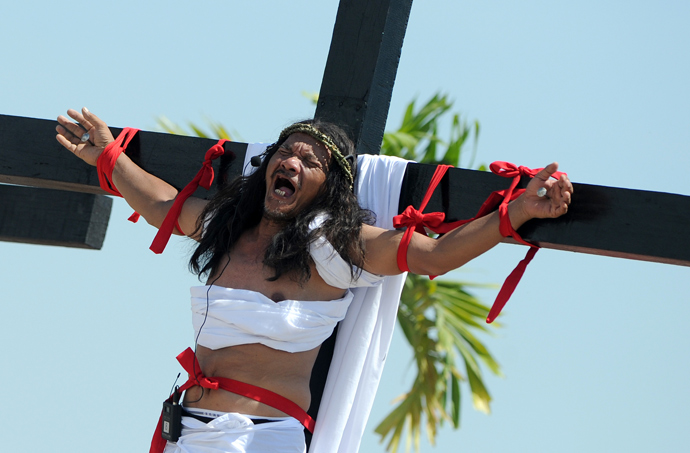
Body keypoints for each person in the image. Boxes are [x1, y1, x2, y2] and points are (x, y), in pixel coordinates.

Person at [56, 107, 573, 453]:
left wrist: (519, 212)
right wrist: (107, 154)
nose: (294, 162)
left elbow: (436, 255)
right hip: (187, 429)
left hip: (263, 439)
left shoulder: (335, 246)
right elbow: (160, 203)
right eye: (287, 152)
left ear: (328, 189)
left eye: (312, 161)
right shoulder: (228, 229)